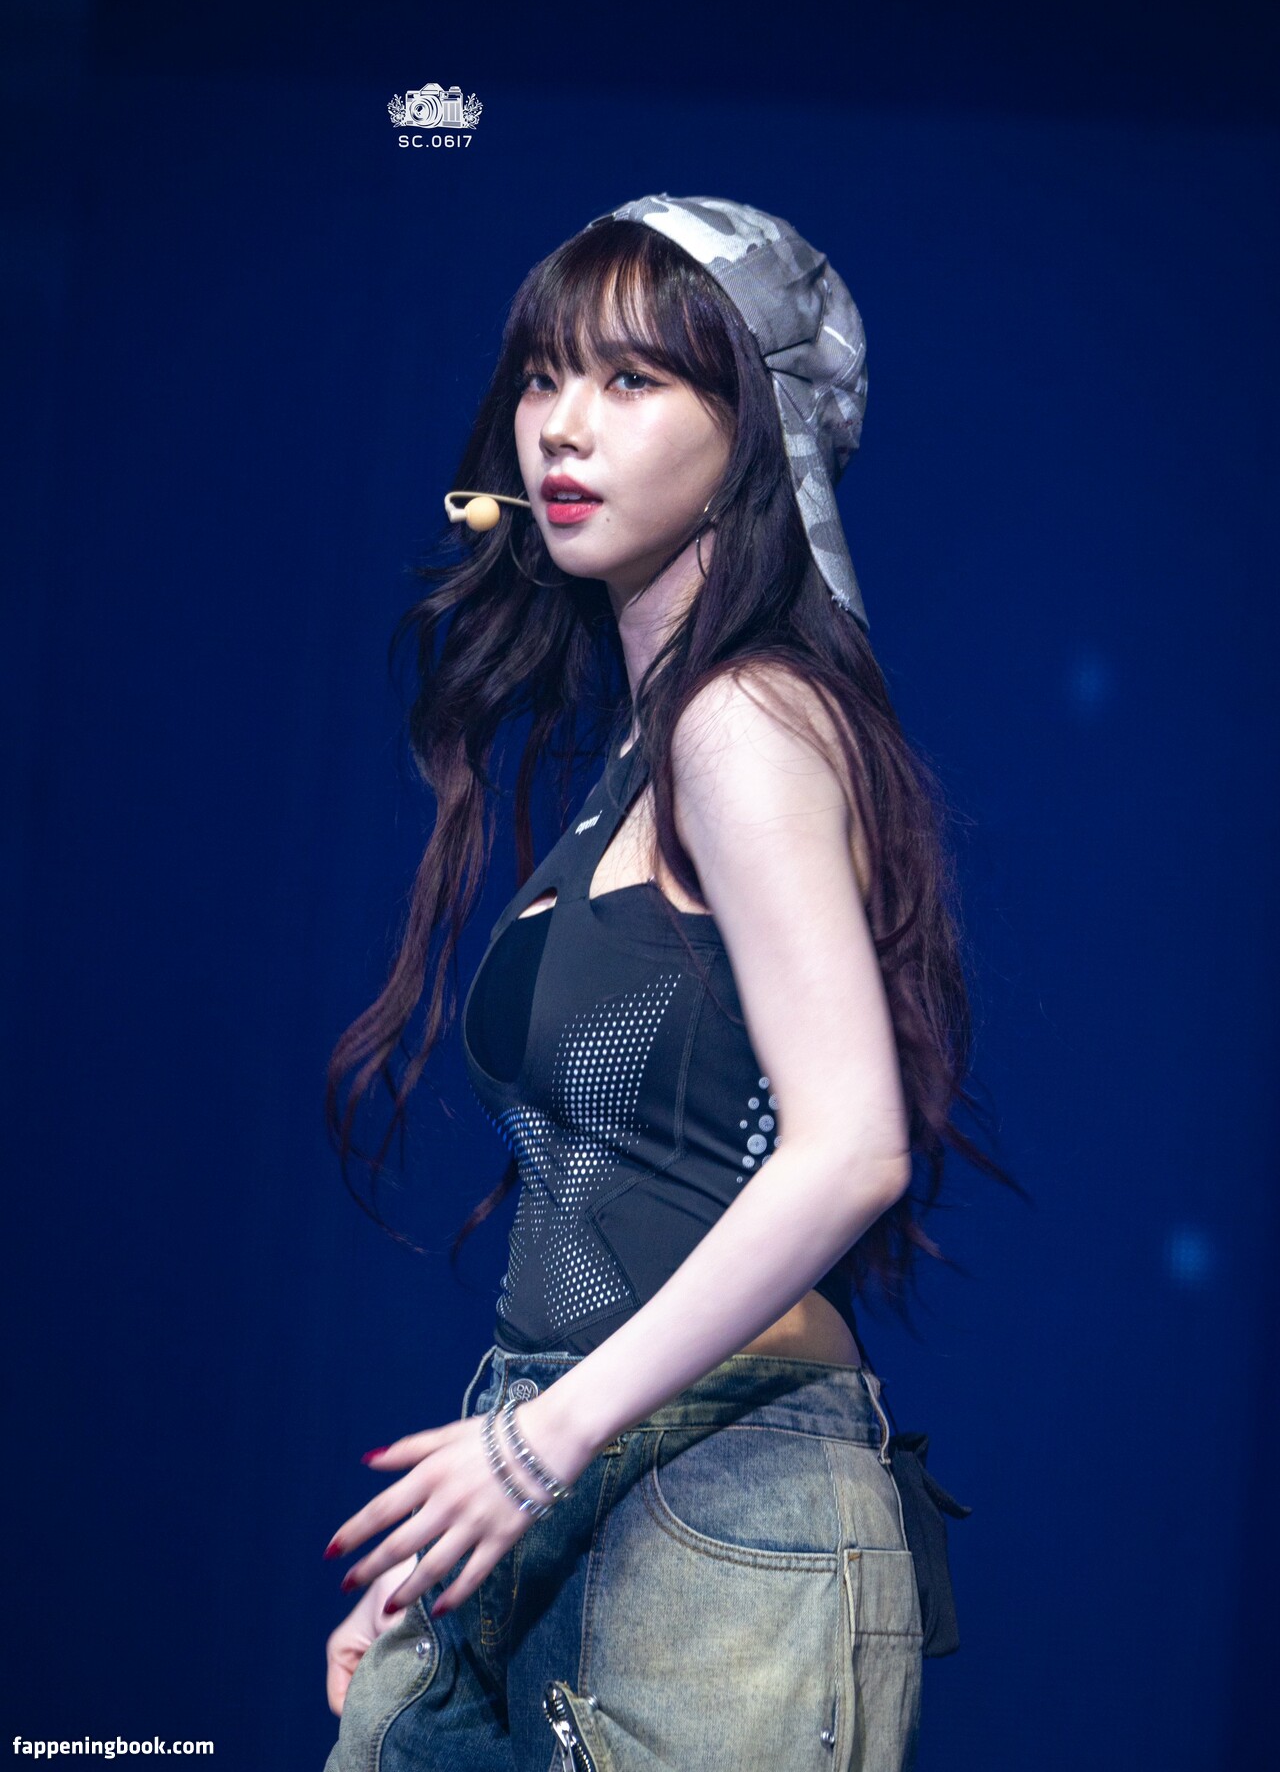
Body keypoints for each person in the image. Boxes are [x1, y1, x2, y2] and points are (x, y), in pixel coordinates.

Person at [320, 194, 1013, 1771]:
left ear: (752, 427)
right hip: (562, 1473)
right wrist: (470, 1516)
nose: (562, 426)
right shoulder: (643, 748)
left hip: (715, 1505)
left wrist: (535, 1447)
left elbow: (853, 1146)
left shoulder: (743, 721)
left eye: (632, 380)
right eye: (543, 375)